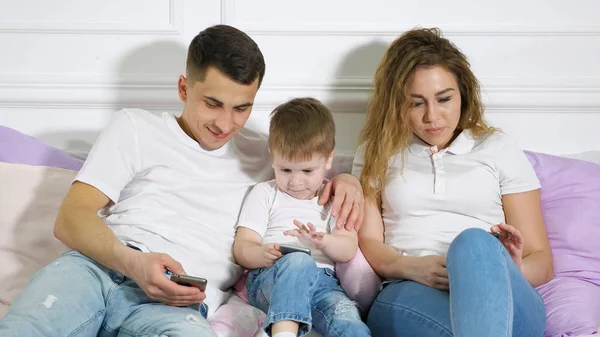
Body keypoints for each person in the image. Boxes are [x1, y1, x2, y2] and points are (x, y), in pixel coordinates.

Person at [0, 25, 364, 337]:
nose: (225, 124)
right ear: (183, 88)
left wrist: (349, 180)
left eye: (242, 108)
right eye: (212, 103)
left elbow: (314, 164)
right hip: (95, 274)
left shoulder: (264, 155)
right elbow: (71, 219)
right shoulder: (135, 127)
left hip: (177, 304)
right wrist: (132, 264)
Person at [354, 28, 553, 337]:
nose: (433, 117)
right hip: (410, 291)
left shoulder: (499, 148)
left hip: (504, 293)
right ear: (395, 104)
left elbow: (542, 261)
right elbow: (368, 241)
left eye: (444, 99)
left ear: (463, 93)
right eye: (415, 103)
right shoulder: (376, 153)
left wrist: (508, 269)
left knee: (473, 242)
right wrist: (409, 266)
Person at [233, 98, 371, 337]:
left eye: (307, 171)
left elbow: (348, 248)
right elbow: (242, 247)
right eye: (285, 170)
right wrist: (260, 255)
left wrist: (323, 242)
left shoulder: (333, 198)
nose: (295, 182)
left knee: (349, 319)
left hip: (322, 283)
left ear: (328, 159)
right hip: (272, 280)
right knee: (298, 261)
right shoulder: (265, 194)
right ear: (273, 157)